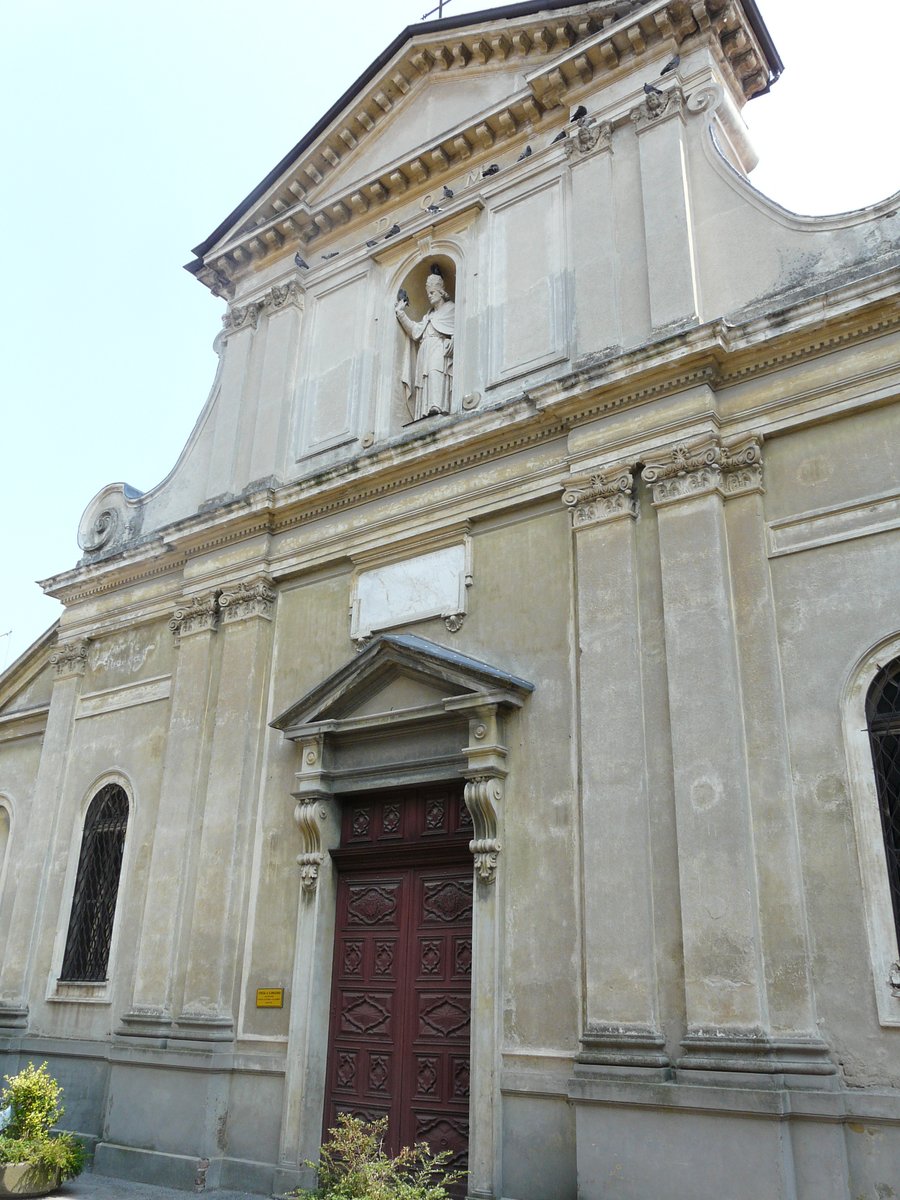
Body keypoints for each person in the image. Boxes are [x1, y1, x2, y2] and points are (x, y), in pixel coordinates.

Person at [395, 265, 455, 419]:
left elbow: (458, 329)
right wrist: (401, 313)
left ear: (441, 293)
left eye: (432, 293)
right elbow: (415, 331)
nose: (429, 296)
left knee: (436, 372)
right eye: (428, 293)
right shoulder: (428, 315)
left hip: (439, 346)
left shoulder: (451, 309)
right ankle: (424, 410)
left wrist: (453, 342)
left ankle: (437, 405)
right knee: (425, 378)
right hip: (425, 349)